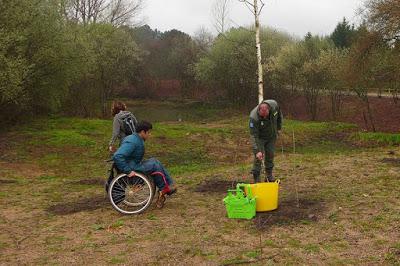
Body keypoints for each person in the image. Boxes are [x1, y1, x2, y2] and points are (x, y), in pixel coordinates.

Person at [112, 121, 177, 208]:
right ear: (143, 132)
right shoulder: (132, 141)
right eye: (148, 132)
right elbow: (118, 156)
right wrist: (127, 171)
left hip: (134, 164)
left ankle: (167, 186)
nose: (149, 135)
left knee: (155, 161)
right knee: (154, 165)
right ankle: (164, 189)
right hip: (132, 167)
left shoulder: (135, 138)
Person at [249, 99, 283, 183]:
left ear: (269, 110)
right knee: (259, 157)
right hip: (260, 138)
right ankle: (256, 177)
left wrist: (278, 128)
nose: (264, 117)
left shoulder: (274, 105)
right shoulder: (254, 117)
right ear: (259, 110)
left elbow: (279, 116)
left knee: (270, 154)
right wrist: (257, 151)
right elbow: (254, 135)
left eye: (265, 115)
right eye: (262, 116)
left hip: (271, 136)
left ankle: (269, 176)